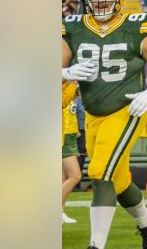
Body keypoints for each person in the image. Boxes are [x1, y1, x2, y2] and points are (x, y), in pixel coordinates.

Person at [62, 0, 147, 249]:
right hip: (92, 113)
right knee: (120, 180)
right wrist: (65, 71)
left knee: (99, 172)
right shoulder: (74, 26)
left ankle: (96, 245)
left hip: (127, 108)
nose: (100, 1)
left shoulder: (136, 26)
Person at [62, 81, 82, 224]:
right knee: (75, 176)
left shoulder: (71, 84)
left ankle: (61, 212)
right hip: (62, 135)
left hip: (70, 134)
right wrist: (73, 83)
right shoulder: (67, 84)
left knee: (63, 179)